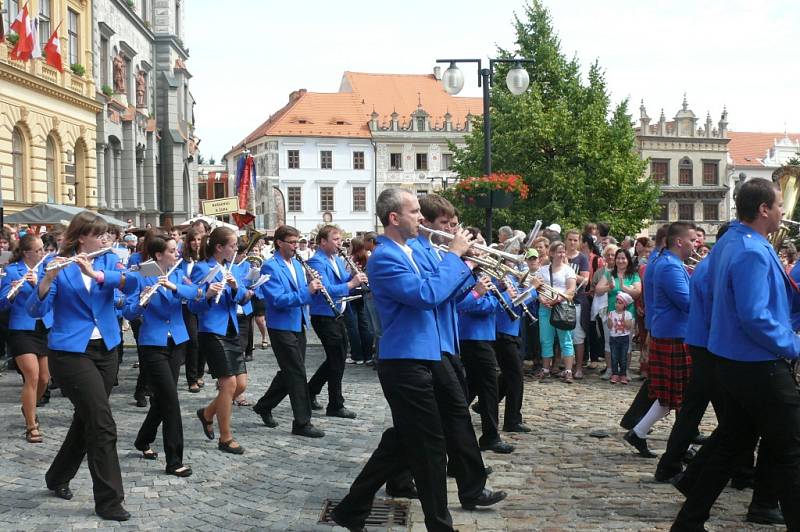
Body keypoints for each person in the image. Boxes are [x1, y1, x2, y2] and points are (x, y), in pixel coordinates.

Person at [331, 188, 485, 532]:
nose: (421, 217)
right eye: (414, 212)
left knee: (407, 439)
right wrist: (455, 258)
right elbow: (424, 295)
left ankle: (351, 508)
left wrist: (466, 266)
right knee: (429, 446)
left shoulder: (411, 250)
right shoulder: (385, 257)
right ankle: (439, 525)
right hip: (404, 359)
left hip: (428, 353)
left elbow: (442, 291)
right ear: (394, 218)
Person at [673, 178, 800, 530]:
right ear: (763, 210)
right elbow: (755, 315)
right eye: (778, 205)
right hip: (757, 365)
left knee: (731, 443)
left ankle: (688, 522)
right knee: (790, 450)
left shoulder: (732, 241)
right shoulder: (750, 251)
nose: (783, 211)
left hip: (733, 362)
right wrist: (794, 345)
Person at [28, 211, 138, 521]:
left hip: (107, 349)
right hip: (71, 353)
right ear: (80, 238)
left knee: (87, 419)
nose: (106, 238)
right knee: (102, 424)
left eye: (107, 233)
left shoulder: (108, 260)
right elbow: (36, 310)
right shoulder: (59, 267)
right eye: (98, 234)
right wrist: (47, 280)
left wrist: (99, 275)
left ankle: (57, 476)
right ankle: (109, 500)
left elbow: (135, 283)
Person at [124, 235, 196, 477]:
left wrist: (173, 286)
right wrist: (142, 302)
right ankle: (174, 460)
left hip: (176, 341)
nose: (177, 254)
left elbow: (194, 291)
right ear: (158, 255)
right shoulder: (140, 275)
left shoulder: (177, 273)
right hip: (152, 344)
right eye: (173, 250)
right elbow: (127, 310)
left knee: (162, 400)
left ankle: (143, 440)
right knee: (171, 401)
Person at [623, 222, 695, 458]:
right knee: (677, 394)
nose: (696, 244)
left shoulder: (669, 263)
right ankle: (676, 444)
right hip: (674, 334)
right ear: (679, 242)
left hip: (671, 332)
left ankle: (640, 432)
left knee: (672, 395)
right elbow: (687, 303)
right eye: (692, 240)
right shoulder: (670, 267)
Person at [252, 225, 325, 438]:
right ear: (279, 243)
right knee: (297, 373)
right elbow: (278, 300)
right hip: (280, 326)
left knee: (290, 371)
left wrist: (312, 284)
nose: (296, 246)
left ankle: (264, 406)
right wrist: (307, 290)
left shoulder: (296, 264)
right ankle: (302, 422)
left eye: (297, 242)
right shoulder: (270, 266)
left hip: (298, 323)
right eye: (292, 242)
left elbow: (302, 295)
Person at [190, 227, 254, 455]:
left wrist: (237, 287)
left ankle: (207, 413)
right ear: (219, 247)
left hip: (231, 327)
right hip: (212, 330)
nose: (236, 249)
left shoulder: (230, 268)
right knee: (229, 385)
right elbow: (193, 304)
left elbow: (243, 297)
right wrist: (207, 295)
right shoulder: (202, 268)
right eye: (233, 245)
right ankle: (225, 437)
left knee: (242, 384)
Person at [306, 225, 368, 417]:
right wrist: (352, 283)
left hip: (337, 312)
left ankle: (310, 392)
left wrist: (353, 275)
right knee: (337, 358)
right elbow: (325, 289)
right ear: (323, 241)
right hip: (324, 315)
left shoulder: (336, 259)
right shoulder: (316, 261)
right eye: (335, 239)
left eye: (340, 239)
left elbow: (341, 282)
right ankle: (335, 403)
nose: (339, 243)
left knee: (337, 357)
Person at [0, 234, 52, 442]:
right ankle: (31, 425)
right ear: (27, 253)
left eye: (43, 249)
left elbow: (50, 297)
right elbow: (2, 303)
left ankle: (27, 406)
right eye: (39, 250)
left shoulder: (46, 270)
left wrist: (38, 282)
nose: (43, 253)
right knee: (31, 375)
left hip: (43, 326)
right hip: (22, 327)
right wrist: (12, 294)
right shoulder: (13, 271)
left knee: (44, 379)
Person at [535, 241, 577, 382]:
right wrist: (541, 299)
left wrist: (557, 299)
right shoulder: (542, 270)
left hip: (561, 308)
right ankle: (546, 369)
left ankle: (568, 370)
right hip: (545, 308)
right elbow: (537, 287)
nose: (562, 254)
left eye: (563, 251)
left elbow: (571, 289)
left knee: (565, 339)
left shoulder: (568, 270)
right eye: (559, 251)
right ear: (551, 253)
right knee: (545, 339)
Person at [180, 227, 204, 392]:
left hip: (204, 304)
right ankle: (192, 378)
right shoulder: (182, 262)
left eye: (199, 240)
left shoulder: (205, 260)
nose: (196, 243)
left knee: (202, 341)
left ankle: (200, 374)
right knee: (193, 341)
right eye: (193, 240)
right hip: (187, 304)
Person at [564, 229, 590, 378]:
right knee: (562, 334)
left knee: (578, 335)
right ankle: (561, 364)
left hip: (577, 300)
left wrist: (567, 270)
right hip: (561, 299)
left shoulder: (582, 258)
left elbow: (585, 280)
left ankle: (579, 367)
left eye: (575, 240)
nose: (572, 243)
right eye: (570, 240)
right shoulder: (561, 255)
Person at [607, 292, 634, 384]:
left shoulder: (628, 314)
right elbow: (609, 326)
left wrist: (623, 320)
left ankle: (623, 374)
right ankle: (615, 373)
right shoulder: (611, 313)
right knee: (614, 356)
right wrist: (610, 319)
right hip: (614, 338)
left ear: (624, 305)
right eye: (616, 302)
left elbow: (629, 326)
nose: (617, 304)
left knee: (623, 357)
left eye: (620, 303)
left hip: (624, 338)